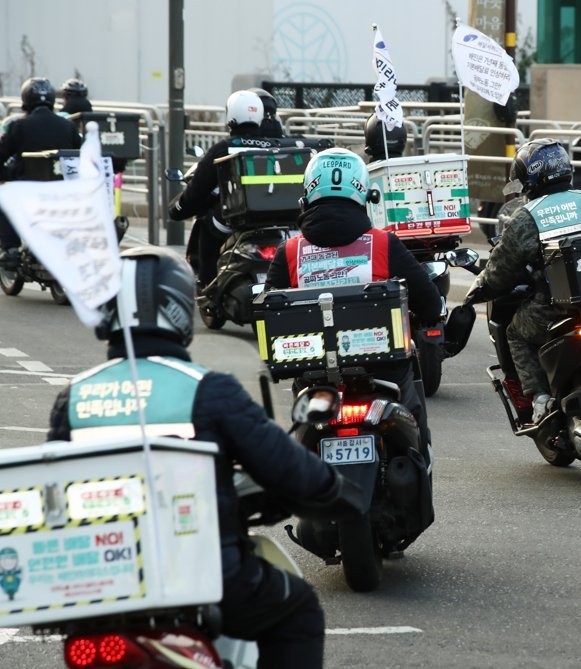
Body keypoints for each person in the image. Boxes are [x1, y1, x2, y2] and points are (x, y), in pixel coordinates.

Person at [47, 246, 362, 668]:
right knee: (298, 611)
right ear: (178, 309)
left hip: (100, 584)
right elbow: (284, 466)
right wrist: (336, 490)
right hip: (201, 577)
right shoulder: (206, 389)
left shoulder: (74, 397)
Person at [264, 147, 442, 456]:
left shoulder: (289, 252)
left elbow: (268, 316)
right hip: (384, 374)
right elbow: (429, 302)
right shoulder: (384, 243)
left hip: (314, 377)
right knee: (416, 445)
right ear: (364, 195)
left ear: (307, 196)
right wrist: (429, 318)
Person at [464, 138, 581, 424]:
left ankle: (539, 400)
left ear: (530, 179)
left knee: (515, 333)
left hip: (559, 308)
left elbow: (500, 272)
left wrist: (478, 290)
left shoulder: (527, 217)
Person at [169, 89, 276, 288]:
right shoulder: (273, 146)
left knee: (207, 226)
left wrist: (177, 208)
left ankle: (208, 285)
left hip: (234, 218)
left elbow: (197, 191)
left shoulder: (223, 149)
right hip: (271, 217)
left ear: (231, 115)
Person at [0, 77, 81, 269]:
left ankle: (11, 249)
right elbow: (82, 154)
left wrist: (6, 174)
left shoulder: (19, 126)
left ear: (25, 100)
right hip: (63, 193)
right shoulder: (68, 126)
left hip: (28, 192)